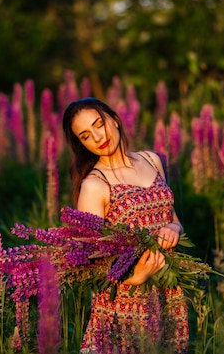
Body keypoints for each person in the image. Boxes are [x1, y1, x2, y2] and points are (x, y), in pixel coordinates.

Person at [62, 97, 189, 354]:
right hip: (125, 304)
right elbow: (88, 262)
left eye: (100, 124)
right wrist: (136, 277)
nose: (98, 137)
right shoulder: (95, 185)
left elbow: (172, 218)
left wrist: (174, 230)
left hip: (168, 292)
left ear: (115, 120)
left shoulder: (152, 160)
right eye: (86, 136)